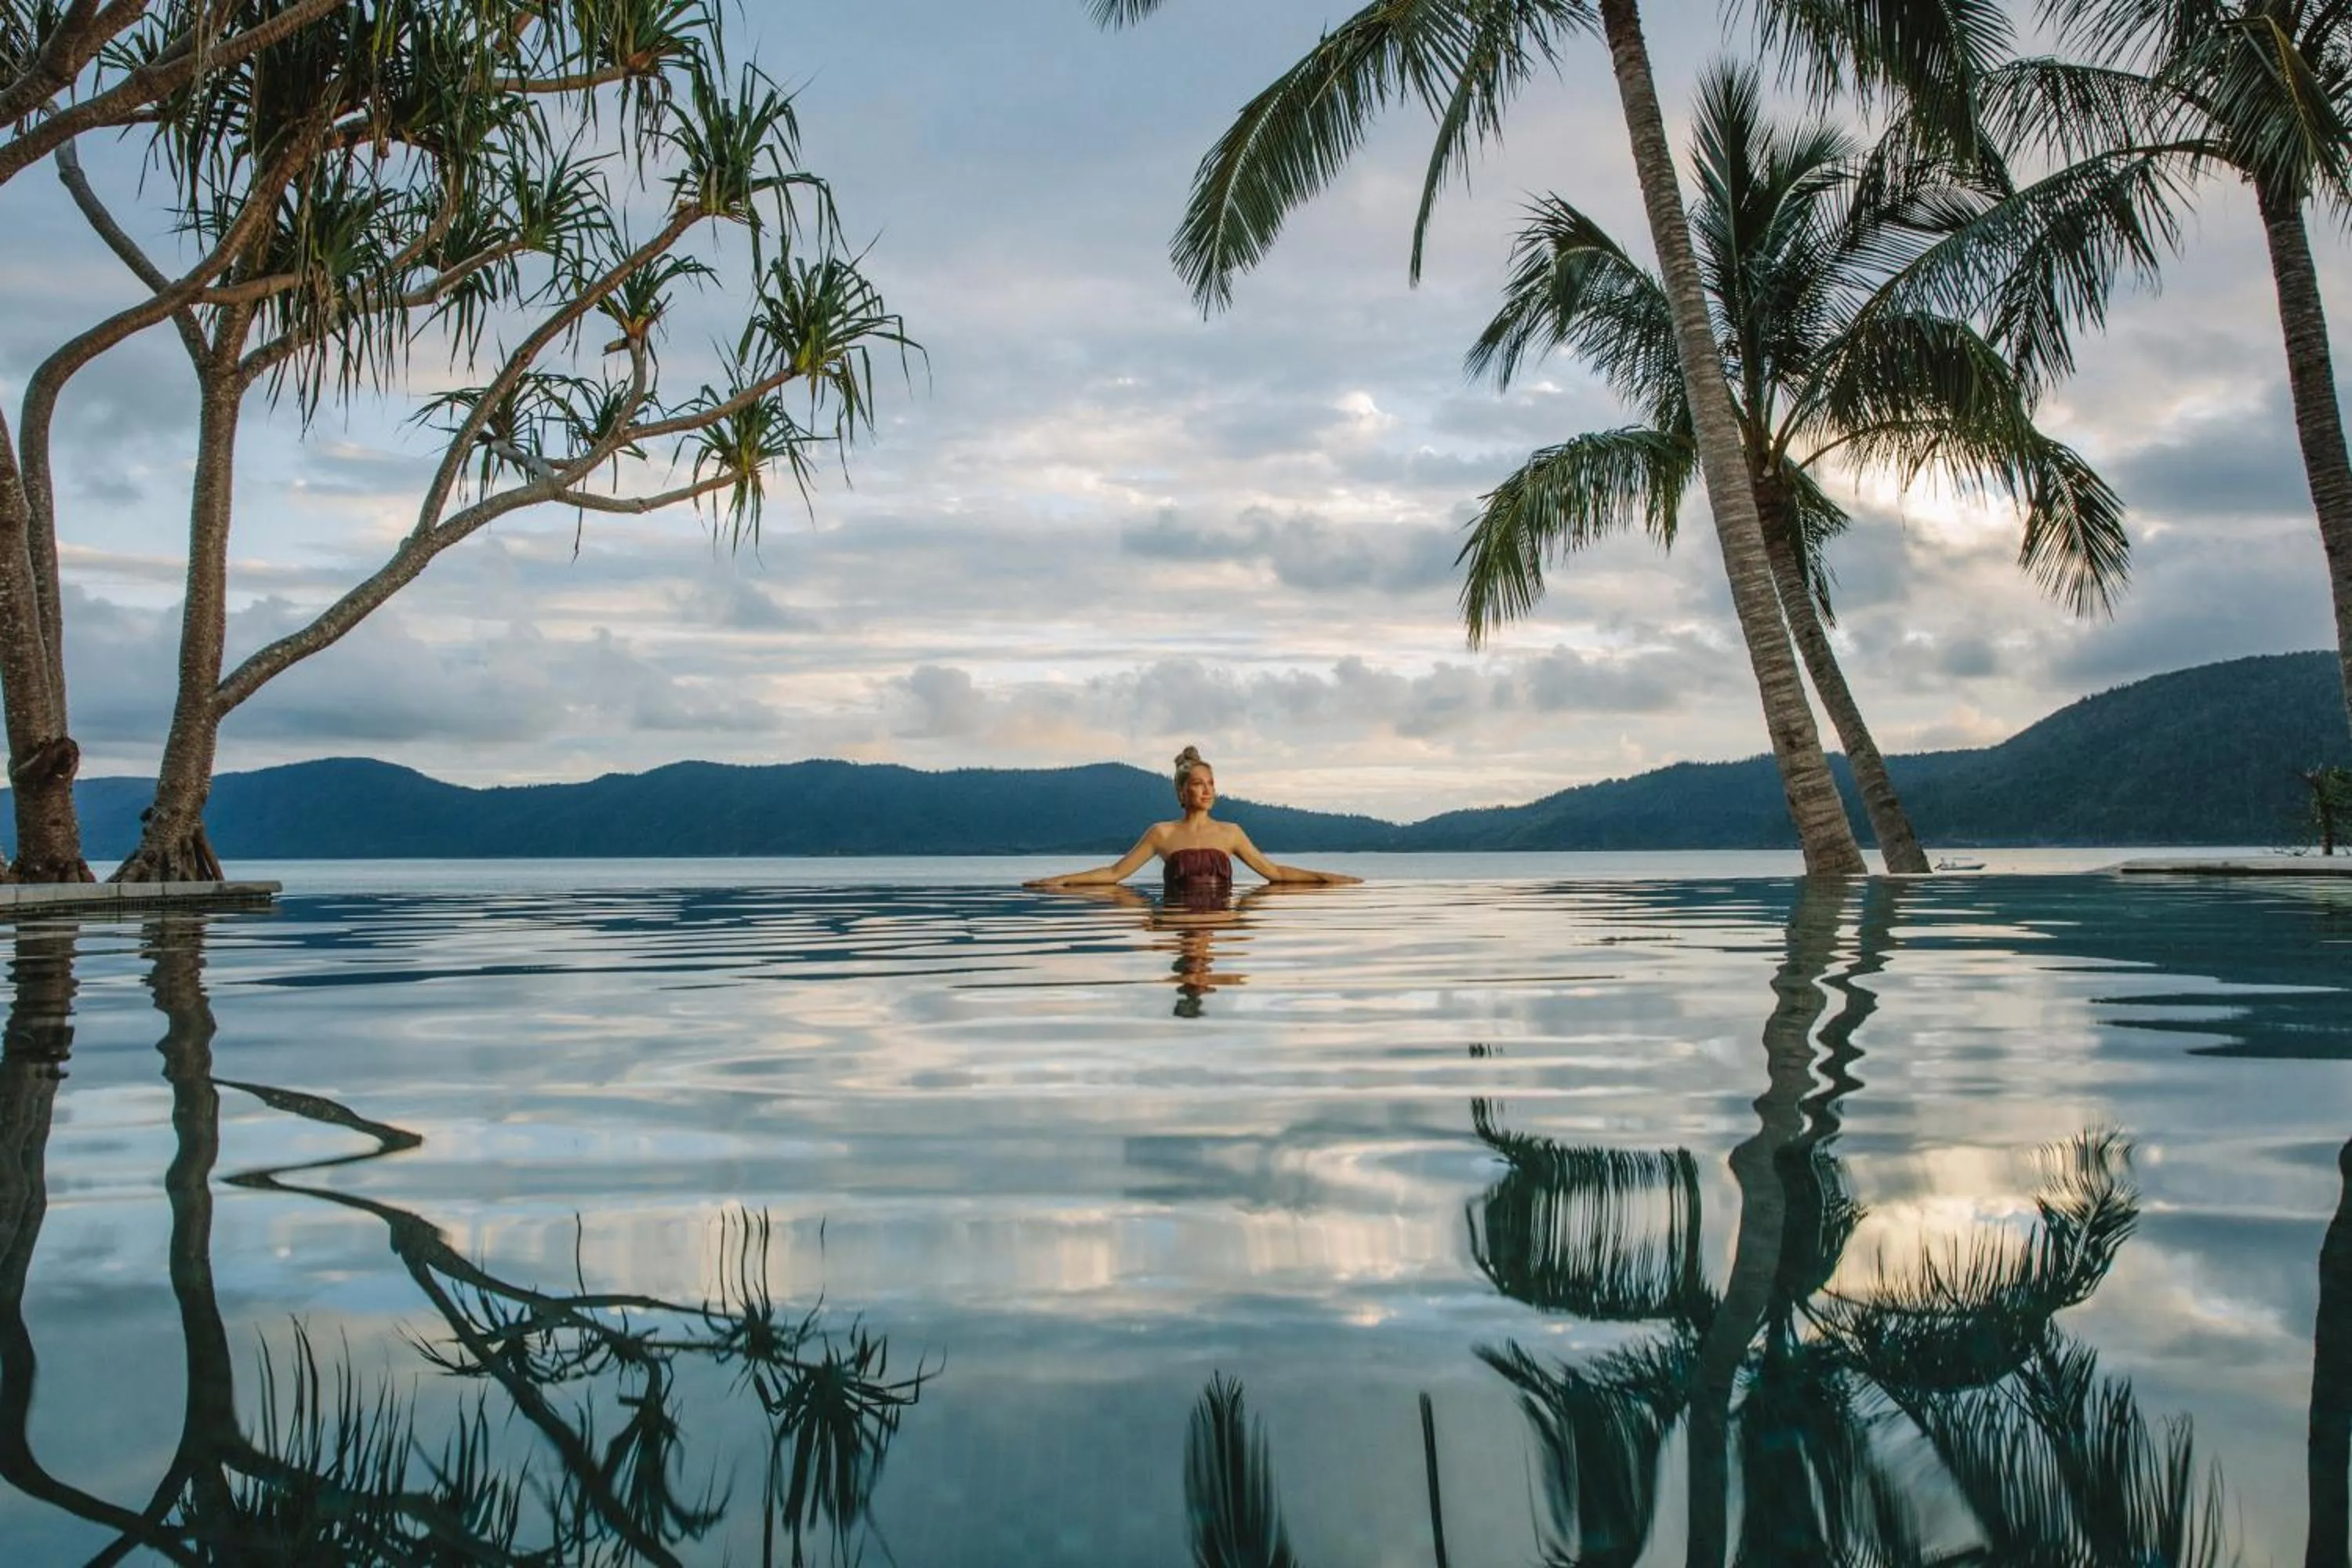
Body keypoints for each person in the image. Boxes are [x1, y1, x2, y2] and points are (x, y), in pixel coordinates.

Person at [1023, 746, 1362, 896]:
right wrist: (1063, 881)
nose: (1207, 790)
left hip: (1220, 913)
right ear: (1182, 793)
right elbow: (1115, 874)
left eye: (1211, 783)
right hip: (1176, 915)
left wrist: (1326, 878)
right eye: (1199, 784)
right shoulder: (1162, 833)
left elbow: (1274, 873)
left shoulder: (1231, 834)